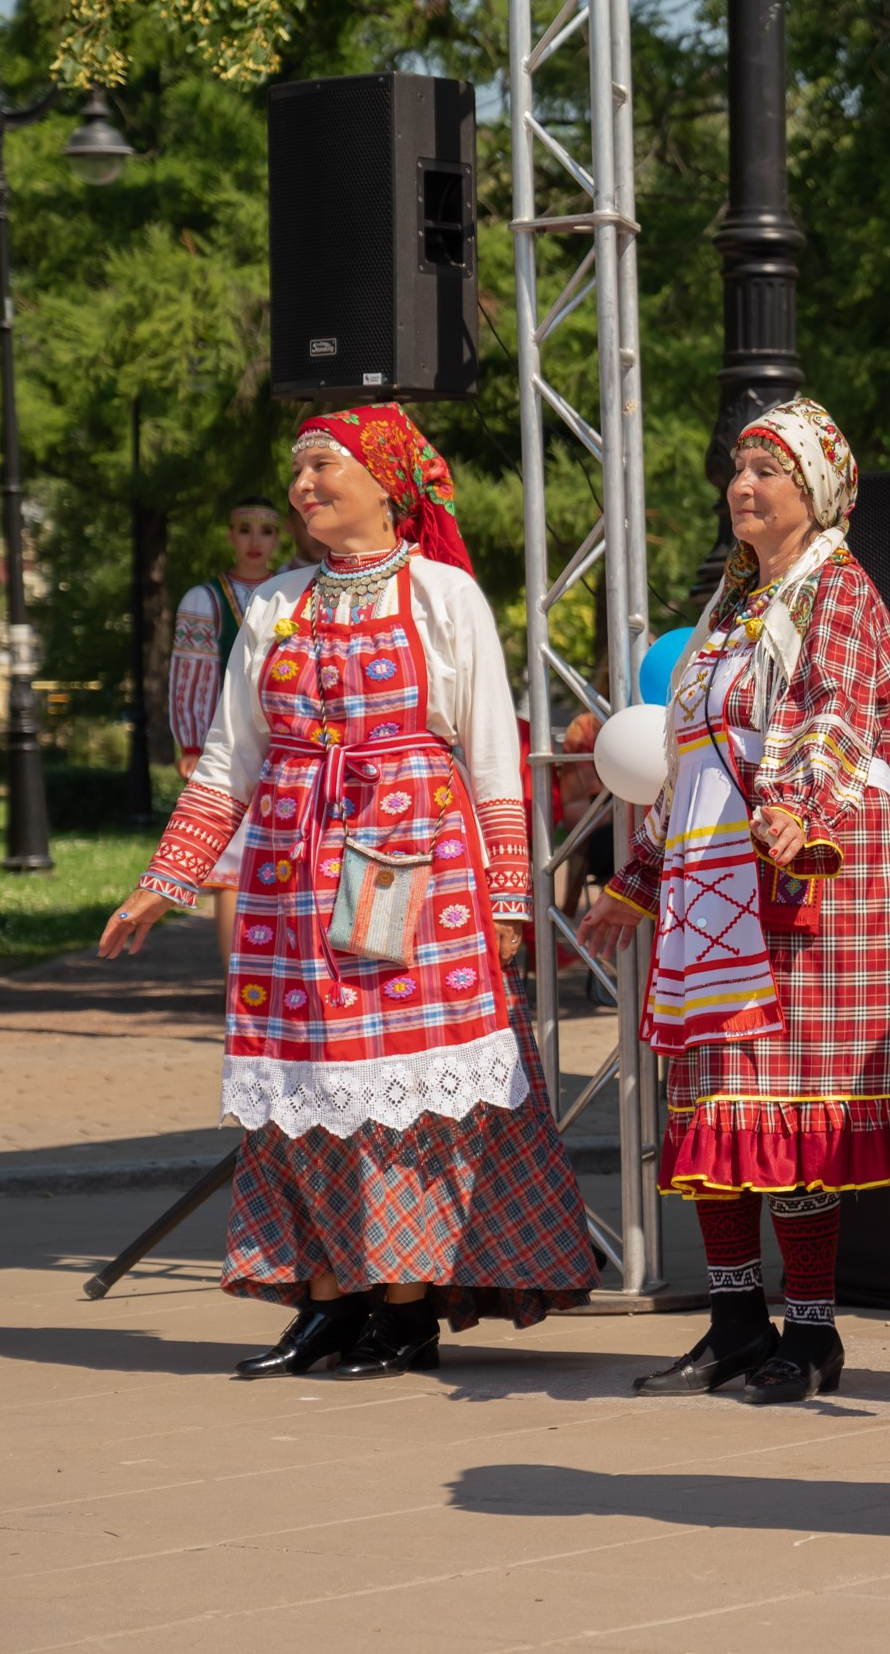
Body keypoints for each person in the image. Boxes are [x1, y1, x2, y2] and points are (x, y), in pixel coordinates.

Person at [101, 405, 595, 1377]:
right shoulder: (278, 603)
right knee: (304, 1086)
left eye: (323, 465)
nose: (303, 486)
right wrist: (166, 880)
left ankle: (403, 1311)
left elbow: (492, 758)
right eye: (297, 470)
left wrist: (506, 897)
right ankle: (327, 1301)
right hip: (289, 880)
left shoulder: (442, 594)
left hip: (414, 871)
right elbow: (229, 762)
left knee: (404, 1097)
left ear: (384, 482)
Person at [581, 398, 890, 1404]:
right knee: (714, 1101)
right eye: (738, 468)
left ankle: (810, 1331)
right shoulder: (733, 606)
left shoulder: (838, 589)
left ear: (813, 491)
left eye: (766, 470)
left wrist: (798, 811)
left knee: (789, 1106)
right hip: (714, 886)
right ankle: (735, 1321)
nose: (743, 486)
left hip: (804, 872)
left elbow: (838, 713)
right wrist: (637, 880)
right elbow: (692, 755)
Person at [170, 499, 287, 961]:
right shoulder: (204, 600)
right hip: (233, 743)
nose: (255, 541)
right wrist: (192, 742)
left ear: (279, 538)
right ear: (229, 535)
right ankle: (233, 984)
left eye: (266, 531)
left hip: (288, 742)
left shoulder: (294, 590)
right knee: (232, 871)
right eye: (244, 529)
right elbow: (192, 674)